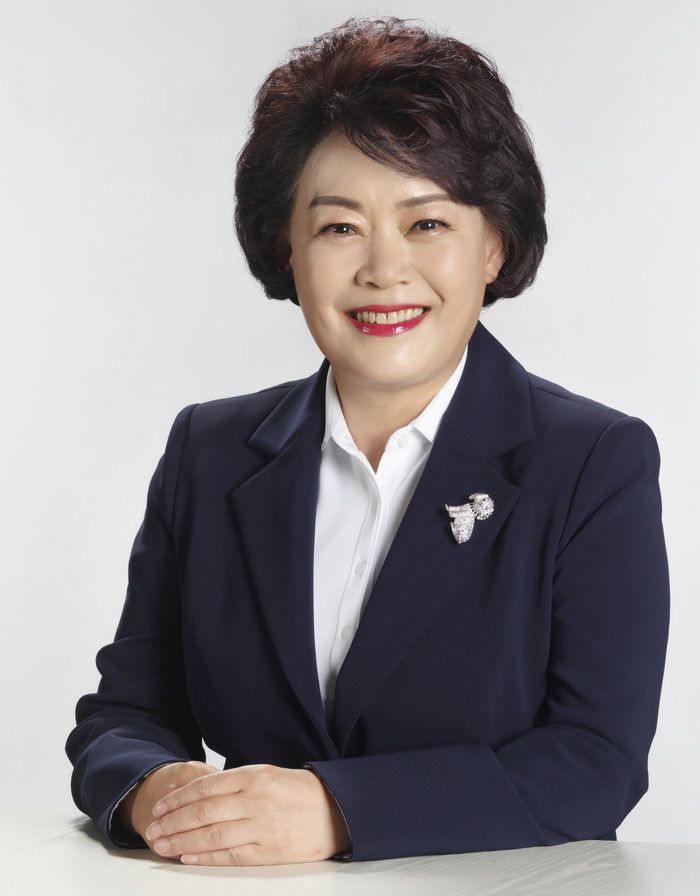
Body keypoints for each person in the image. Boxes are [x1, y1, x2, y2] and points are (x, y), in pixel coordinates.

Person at [66, 17, 669, 866]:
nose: (384, 270)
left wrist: (336, 812)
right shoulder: (209, 450)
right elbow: (126, 716)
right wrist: (164, 793)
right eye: (340, 227)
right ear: (288, 248)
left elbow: (594, 762)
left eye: (428, 224)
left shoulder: (592, 462)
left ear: (493, 244)